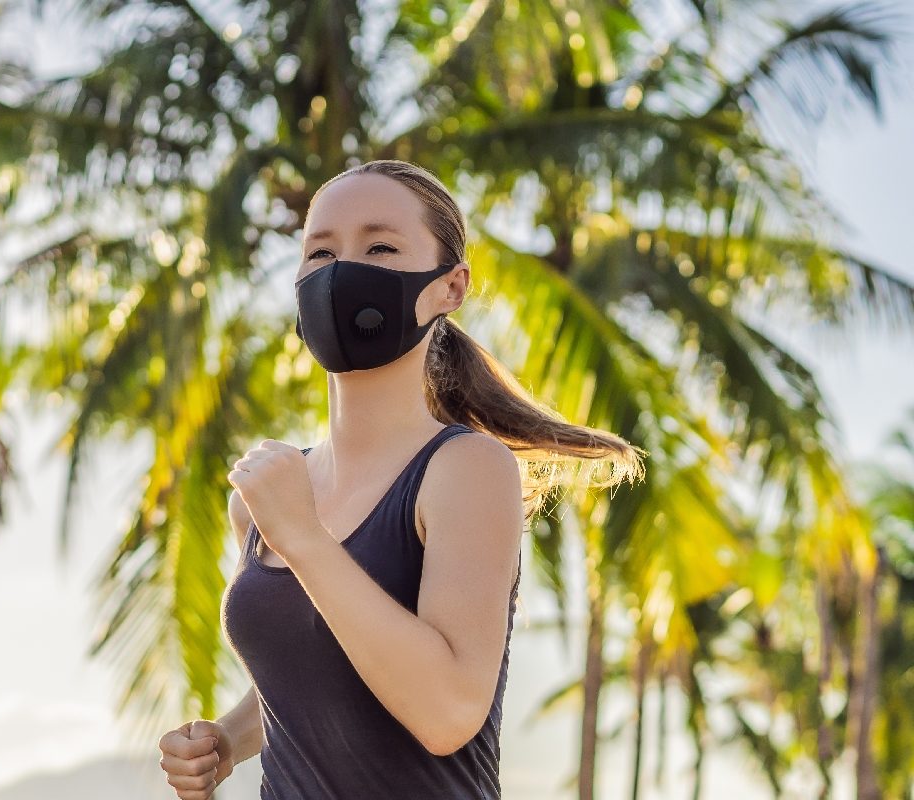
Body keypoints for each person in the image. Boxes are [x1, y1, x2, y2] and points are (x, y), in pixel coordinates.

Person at [158, 159, 646, 799]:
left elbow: (446, 712)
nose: (340, 271)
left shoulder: (465, 469)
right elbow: (321, 672)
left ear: (450, 286)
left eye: (380, 246)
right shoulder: (267, 502)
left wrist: (304, 539)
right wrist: (227, 741)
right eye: (320, 251)